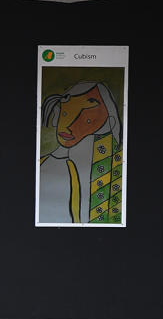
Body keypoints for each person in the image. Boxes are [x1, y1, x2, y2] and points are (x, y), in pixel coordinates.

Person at [39, 80, 122, 224]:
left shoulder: (112, 164)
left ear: (108, 121)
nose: (70, 125)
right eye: (66, 113)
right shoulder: (45, 164)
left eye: (86, 118)